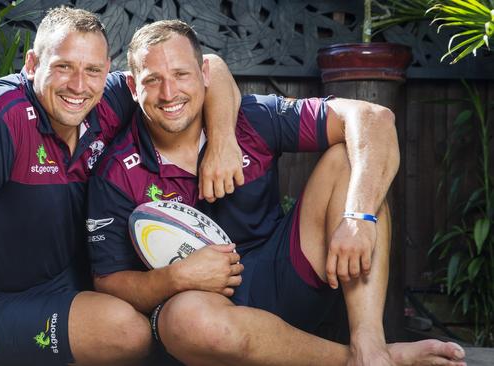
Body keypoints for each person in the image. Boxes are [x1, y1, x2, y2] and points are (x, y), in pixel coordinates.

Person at [86, 20, 467, 366]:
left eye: (181, 74)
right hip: (205, 311)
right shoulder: (116, 171)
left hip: (284, 276)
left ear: (203, 74)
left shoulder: (250, 119)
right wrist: (176, 278)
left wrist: (358, 217)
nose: (169, 92)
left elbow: (373, 119)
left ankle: (369, 340)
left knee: (348, 160)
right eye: (153, 80)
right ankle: (360, 360)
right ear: (134, 87)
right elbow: (109, 281)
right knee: (186, 321)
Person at [0, 7, 243, 366]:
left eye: (92, 70)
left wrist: (222, 142)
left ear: (106, 70)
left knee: (163, 327)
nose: (78, 85)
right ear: (32, 65)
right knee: (130, 333)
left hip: (75, 288)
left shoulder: (109, 97)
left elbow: (211, 66)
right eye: (63, 67)